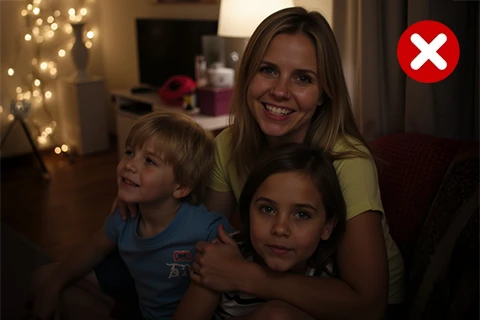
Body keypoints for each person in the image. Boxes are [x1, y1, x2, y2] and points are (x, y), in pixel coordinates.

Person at [117, 6, 405, 320]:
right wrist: (145, 194)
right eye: (268, 70)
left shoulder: (348, 161)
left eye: (303, 78)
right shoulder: (229, 145)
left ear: (324, 93)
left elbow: (368, 304)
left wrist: (246, 277)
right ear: (248, 74)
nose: (280, 91)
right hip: (272, 289)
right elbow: (210, 237)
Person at [28, 111, 233, 320]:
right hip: (139, 308)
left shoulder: (207, 229)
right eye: (129, 152)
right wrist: (53, 285)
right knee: (42, 279)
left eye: (150, 161)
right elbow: (93, 249)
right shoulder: (125, 215)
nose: (130, 165)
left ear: (181, 187)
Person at [173, 143, 347, 319]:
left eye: (302, 214)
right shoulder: (221, 258)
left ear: (328, 226)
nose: (280, 228)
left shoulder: (331, 279)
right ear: (248, 211)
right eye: (267, 209)